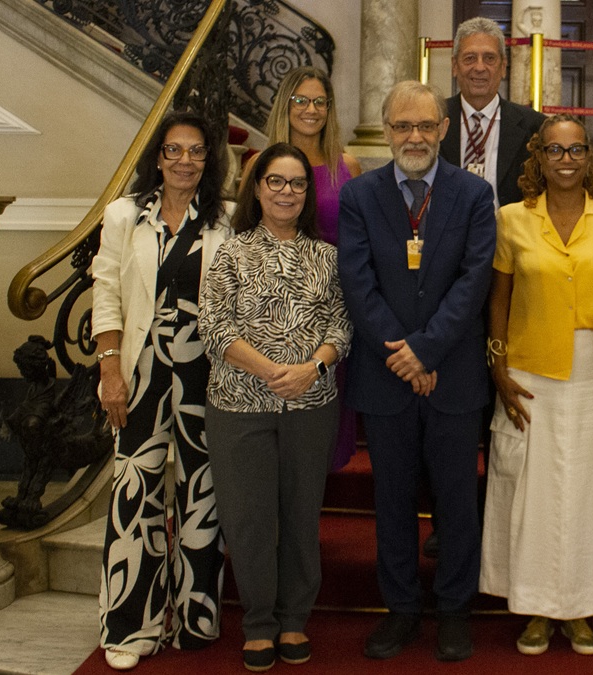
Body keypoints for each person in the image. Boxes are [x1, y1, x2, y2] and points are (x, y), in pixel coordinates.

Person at [337, 80, 496, 663]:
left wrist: (425, 351)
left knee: (457, 503)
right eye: (402, 126)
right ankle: (401, 611)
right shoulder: (359, 196)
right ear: (386, 130)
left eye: (425, 125)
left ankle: (454, 612)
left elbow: (474, 281)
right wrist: (403, 356)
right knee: (393, 504)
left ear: (444, 129)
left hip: (453, 375)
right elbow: (358, 284)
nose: (414, 136)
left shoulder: (475, 194)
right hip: (386, 378)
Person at [480, 114, 593, 656]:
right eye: (555, 150)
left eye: (576, 150)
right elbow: (499, 297)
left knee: (589, 497)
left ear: (589, 157)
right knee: (535, 495)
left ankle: (582, 610)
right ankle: (535, 608)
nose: (566, 160)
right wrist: (498, 367)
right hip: (531, 372)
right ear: (539, 158)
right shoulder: (512, 219)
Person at [199, 143, 352, 672]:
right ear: (257, 188)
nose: (287, 192)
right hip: (239, 405)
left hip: (311, 405)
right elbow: (214, 327)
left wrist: (312, 369)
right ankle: (259, 623)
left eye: (298, 183)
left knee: (301, 515)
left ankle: (294, 619)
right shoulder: (231, 253)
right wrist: (270, 371)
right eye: (276, 182)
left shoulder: (326, 257)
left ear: (307, 192)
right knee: (250, 519)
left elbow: (341, 326)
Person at [90, 110, 231, 671]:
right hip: (140, 370)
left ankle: (196, 618)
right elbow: (106, 290)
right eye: (174, 150)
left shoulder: (225, 220)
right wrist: (109, 370)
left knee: (202, 490)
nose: (185, 161)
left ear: (209, 159)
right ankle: (131, 626)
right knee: (136, 490)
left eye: (196, 151)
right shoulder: (125, 215)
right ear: (158, 156)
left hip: (206, 373)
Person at [262, 66, 364, 471]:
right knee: (282, 422)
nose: (311, 109)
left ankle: (312, 505)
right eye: (301, 100)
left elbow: (359, 241)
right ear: (285, 106)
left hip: (332, 309)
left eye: (320, 101)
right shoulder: (259, 165)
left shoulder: (348, 166)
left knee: (325, 428)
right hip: (278, 311)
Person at [440, 16, 548, 209]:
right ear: (455, 66)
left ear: (503, 67)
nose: (479, 67)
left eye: (489, 58)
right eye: (470, 58)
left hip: (509, 226)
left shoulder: (535, 126)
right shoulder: (433, 120)